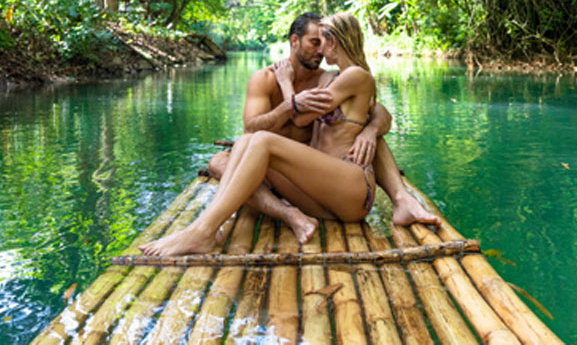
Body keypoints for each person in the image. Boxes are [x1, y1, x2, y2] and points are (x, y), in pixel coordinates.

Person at [140, 13, 436, 257]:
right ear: (295, 42)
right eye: (314, 42)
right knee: (245, 141)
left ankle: (203, 232)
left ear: (336, 41)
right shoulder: (300, 78)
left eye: (323, 42)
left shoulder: (351, 76)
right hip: (320, 193)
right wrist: (285, 88)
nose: (320, 50)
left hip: (349, 185)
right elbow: (258, 124)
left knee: (262, 142)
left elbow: (364, 111)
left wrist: (370, 130)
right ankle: (219, 227)